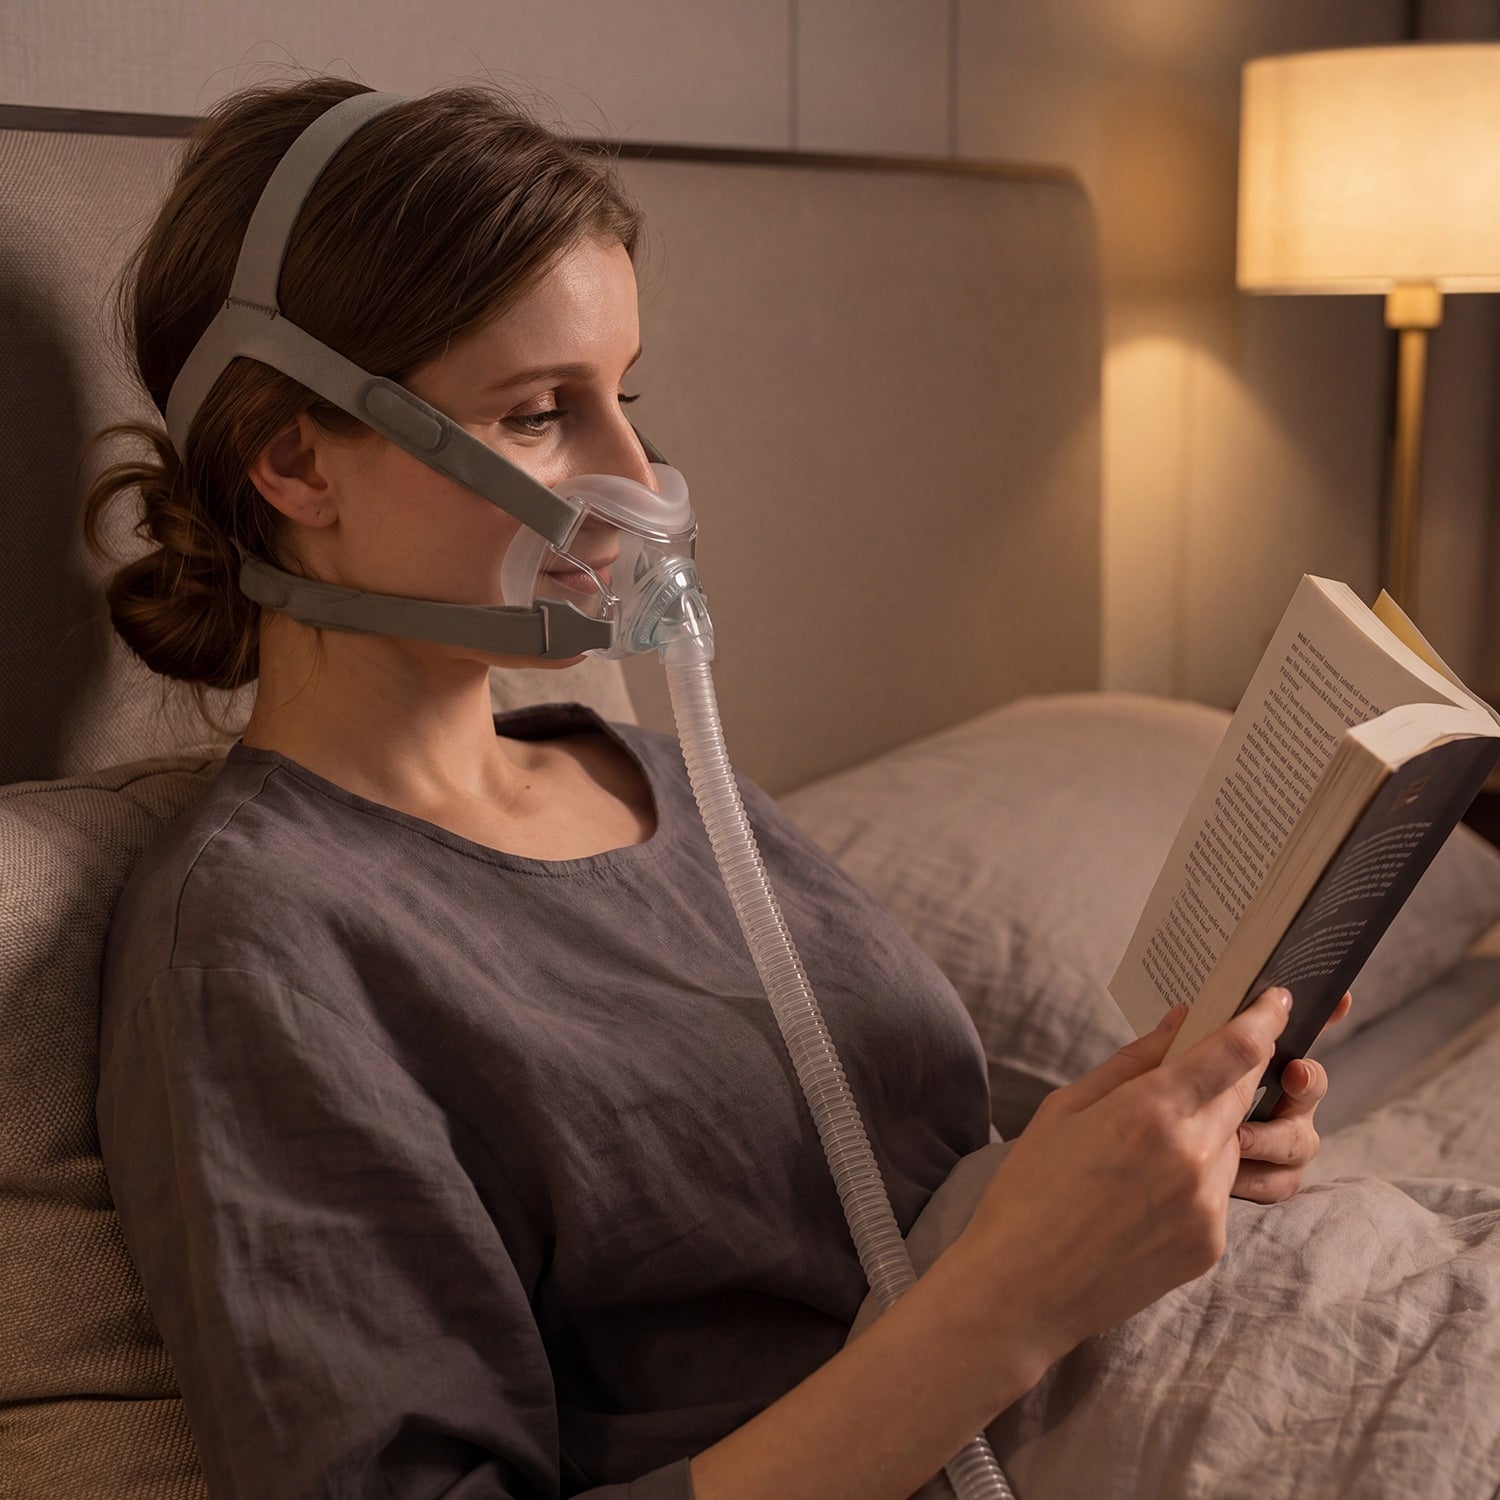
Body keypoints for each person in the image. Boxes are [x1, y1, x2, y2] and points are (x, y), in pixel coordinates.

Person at [89, 77, 1345, 1500]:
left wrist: (1140, 1148)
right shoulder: (262, 944)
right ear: (299, 458)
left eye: (625, 398)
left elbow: (906, 1163)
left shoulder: (658, 774)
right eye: (537, 414)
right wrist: (1019, 1300)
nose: (640, 480)